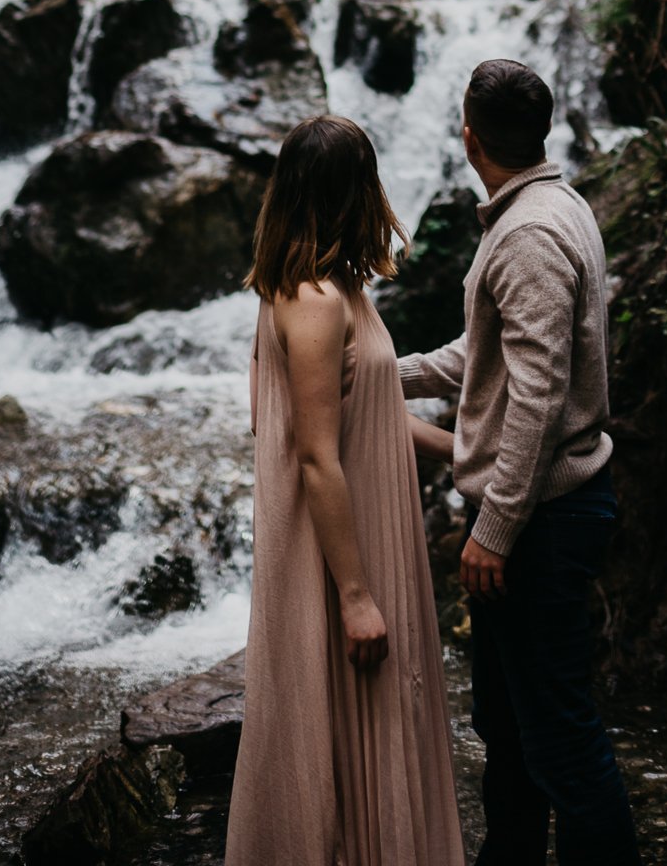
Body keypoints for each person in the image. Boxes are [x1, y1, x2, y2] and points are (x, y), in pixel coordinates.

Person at [398, 60, 643, 865]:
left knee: (558, 734)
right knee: (508, 726)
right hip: (542, 510)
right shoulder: (544, 208)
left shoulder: (532, 233)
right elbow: (489, 353)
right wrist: (377, 373)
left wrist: (495, 530)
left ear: (469, 136)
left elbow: (536, 397)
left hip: (541, 516)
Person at [225, 115, 465, 866]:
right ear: (353, 191)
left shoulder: (333, 289)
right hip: (341, 548)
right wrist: (355, 595)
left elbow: (372, 418)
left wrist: (466, 456)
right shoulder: (315, 301)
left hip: (364, 529)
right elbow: (318, 458)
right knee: (353, 726)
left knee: (381, 715)